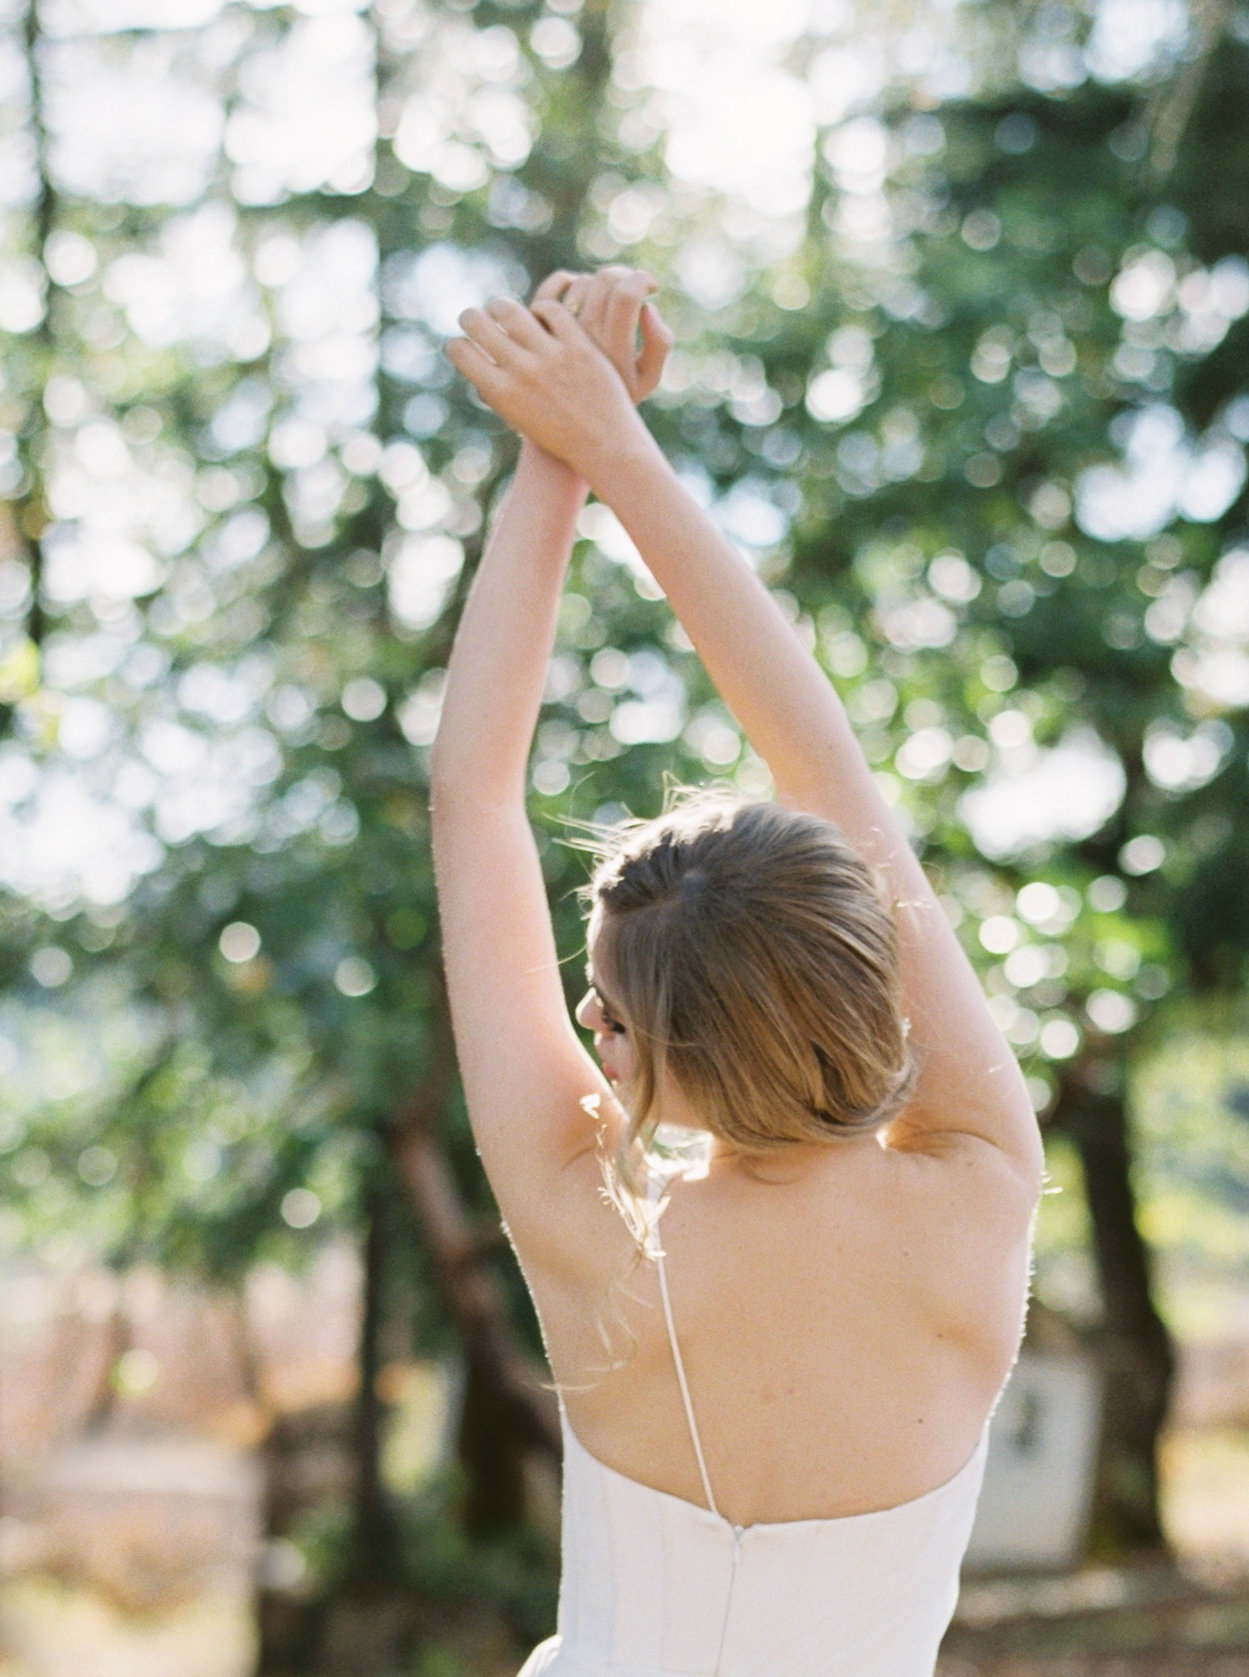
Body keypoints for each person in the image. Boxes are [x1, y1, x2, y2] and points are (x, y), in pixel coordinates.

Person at [432, 266, 1044, 1677]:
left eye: (610, 1010)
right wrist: (615, 445)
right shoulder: (979, 1189)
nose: (585, 1018)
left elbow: (475, 796)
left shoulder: (595, 1228)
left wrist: (560, 448)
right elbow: (829, 774)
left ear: (671, 1051)